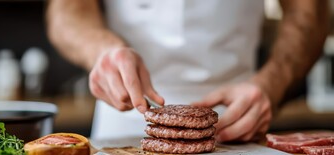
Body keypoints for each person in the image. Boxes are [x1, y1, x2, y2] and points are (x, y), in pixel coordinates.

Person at [46, 0, 329, 142]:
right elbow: (66, 9)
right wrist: (102, 50)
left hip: (237, 121)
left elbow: (310, 10)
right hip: (123, 117)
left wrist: (272, 82)